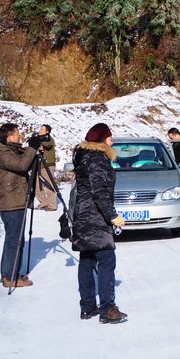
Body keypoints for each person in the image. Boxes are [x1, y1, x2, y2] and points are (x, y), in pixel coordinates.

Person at [72, 122, 128, 323]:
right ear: (102, 139)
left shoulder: (84, 156)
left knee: (87, 260)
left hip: (83, 215)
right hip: (94, 217)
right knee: (106, 260)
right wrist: (112, 216)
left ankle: (87, 307)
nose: (112, 140)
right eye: (109, 136)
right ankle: (107, 309)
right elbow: (100, 191)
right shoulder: (97, 158)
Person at [0, 122, 39, 289]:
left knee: (13, 240)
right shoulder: (1, 154)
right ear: (9, 137)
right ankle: (10, 277)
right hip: (11, 203)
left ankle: (8, 274)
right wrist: (31, 148)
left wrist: (33, 149)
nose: (20, 136)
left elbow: (25, 164)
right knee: (15, 241)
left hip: (14, 200)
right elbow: (21, 165)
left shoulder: (9, 151)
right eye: (17, 134)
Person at [29, 124, 58, 211]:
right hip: (39, 165)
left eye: (42, 129)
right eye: (40, 129)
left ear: (47, 131)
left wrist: (38, 140)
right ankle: (44, 202)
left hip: (48, 165)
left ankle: (52, 205)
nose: (40, 130)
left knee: (48, 184)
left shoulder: (49, 139)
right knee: (37, 186)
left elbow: (47, 145)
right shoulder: (38, 140)